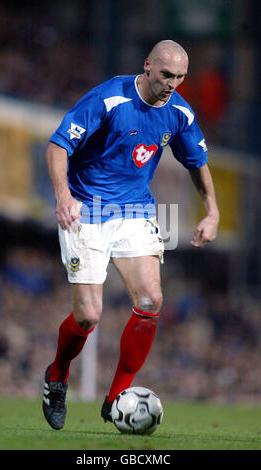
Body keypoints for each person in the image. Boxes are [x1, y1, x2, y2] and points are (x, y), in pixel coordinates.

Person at [42, 40, 219, 430]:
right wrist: (63, 195)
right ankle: (57, 377)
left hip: (135, 210)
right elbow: (58, 145)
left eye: (180, 77)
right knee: (88, 316)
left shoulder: (180, 114)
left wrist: (212, 211)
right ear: (147, 66)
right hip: (86, 210)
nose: (172, 83)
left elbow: (197, 162)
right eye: (166, 74)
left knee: (151, 299)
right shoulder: (108, 99)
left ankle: (116, 396)